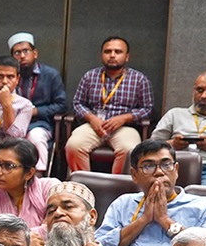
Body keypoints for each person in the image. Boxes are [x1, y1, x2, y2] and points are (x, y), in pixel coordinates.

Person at [94, 139, 206, 246]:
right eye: (148, 166)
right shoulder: (123, 204)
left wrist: (164, 220)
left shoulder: (204, 206)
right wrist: (143, 220)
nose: (159, 172)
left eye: (166, 165)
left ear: (176, 170)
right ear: (134, 175)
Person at [66, 36, 154, 174]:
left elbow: (147, 109)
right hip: (94, 126)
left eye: (118, 52)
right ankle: (84, 185)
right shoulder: (90, 76)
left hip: (124, 127)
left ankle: (117, 187)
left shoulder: (139, 79)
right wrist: (91, 118)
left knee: (129, 149)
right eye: (108, 51)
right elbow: (77, 103)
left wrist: (124, 118)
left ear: (127, 57)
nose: (112, 55)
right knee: (74, 145)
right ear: (102, 55)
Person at [10, 33, 67, 171]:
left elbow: (62, 105)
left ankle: (39, 175)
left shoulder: (50, 75)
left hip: (39, 123)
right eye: (17, 52)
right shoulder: (9, 75)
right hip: (12, 122)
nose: (22, 56)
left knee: (35, 137)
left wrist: (36, 111)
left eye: (25, 51)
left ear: (35, 53)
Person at [0, 139, 53, 230]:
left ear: (29, 173)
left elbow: (57, 226)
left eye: (8, 166)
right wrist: (26, 238)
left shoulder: (49, 188)